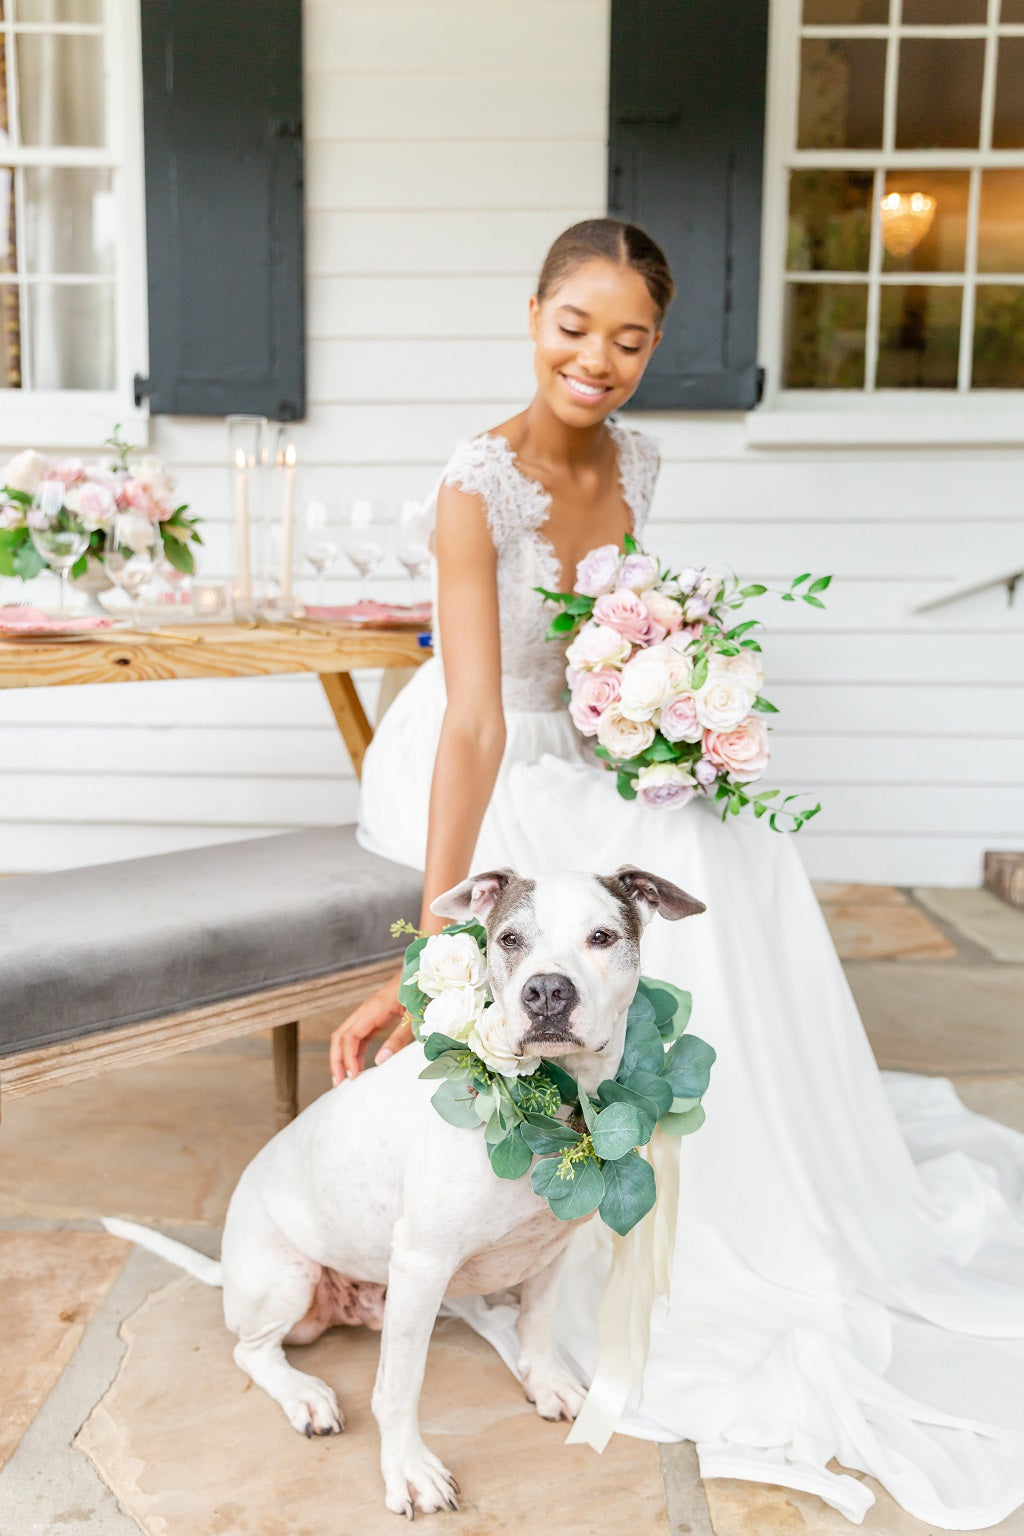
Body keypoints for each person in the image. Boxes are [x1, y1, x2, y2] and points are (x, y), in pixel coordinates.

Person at [330, 219, 1024, 1530]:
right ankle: (620, 1209)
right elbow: (479, 719)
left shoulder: (641, 460)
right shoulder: (476, 484)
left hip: (600, 743)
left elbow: (620, 632)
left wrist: (676, 714)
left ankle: (744, 1189)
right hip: (507, 757)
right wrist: (431, 943)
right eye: (574, 327)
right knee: (653, 865)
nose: (598, 360)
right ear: (531, 314)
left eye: (630, 338)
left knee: (726, 837)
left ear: (655, 346)